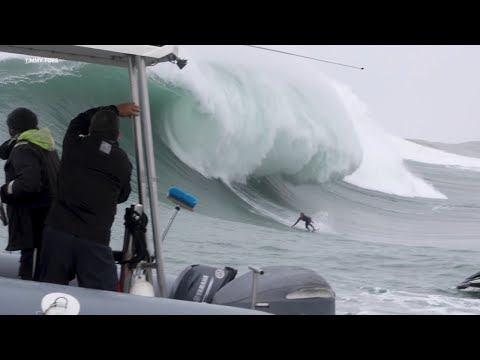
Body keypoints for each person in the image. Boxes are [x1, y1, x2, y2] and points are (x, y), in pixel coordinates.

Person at [39, 103, 139, 291]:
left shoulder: (73, 143)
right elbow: (123, 195)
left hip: (58, 232)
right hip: (93, 239)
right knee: (104, 301)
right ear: (117, 135)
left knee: (49, 294)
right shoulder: (122, 161)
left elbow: (78, 121)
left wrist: (115, 109)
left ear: (90, 130)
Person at [0, 108, 60, 281]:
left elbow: (29, 184)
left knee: (31, 274)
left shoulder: (23, 149)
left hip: (33, 223)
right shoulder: (45, 144)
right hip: (50, 219)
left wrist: (4, 191)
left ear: (11, 130)